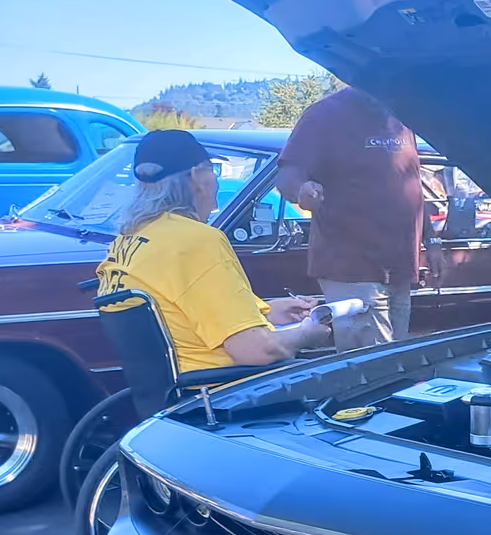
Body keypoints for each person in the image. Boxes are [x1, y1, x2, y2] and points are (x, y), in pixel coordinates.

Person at [96, 130, 329, 367]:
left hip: (172, 396)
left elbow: (180, 322)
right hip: (226, 394)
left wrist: (267, 312)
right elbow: (257, 350)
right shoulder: (195, 241)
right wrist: (306, 334)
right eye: (213, 170)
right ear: (198, 178)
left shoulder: (127, 240)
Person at [274, 85, 426, 351]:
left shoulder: (399, 117)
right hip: (352, 267)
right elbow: (287, 175)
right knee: (372, 365)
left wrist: (431, 241)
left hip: (399, 266)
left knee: (396, 358)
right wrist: (302, 191)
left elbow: (412, 184)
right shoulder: (325, 115)